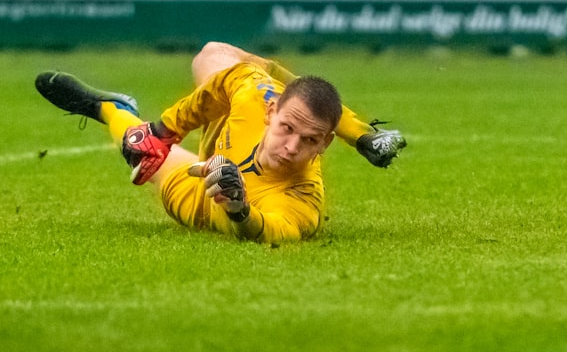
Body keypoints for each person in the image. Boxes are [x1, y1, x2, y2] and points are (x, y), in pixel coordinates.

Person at [34, 42, 408, 244]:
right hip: (227, 134)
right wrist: (165, 130)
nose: (292, 147)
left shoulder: (303, 198)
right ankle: (136, 121)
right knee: (214, 55)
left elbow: (276, 231)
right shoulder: (255, 95)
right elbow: (223, 82)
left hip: (205, 201)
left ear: (324, 145)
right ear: (270, 112)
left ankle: (109, 109)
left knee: (149, 165)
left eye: (309, 141)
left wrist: (240, 209)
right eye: (287, 129)